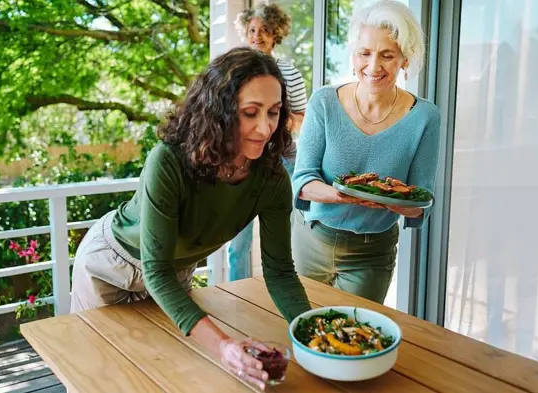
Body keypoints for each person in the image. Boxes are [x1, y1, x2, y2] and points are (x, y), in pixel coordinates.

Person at [70, 47, 311, 390]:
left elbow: (280, 272)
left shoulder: (272, 180)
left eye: (273, 112)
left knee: (169, 374)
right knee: (100, 378)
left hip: (173, 273)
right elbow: (155, 269)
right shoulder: (168, 161)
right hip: (110, 267)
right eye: (250, 113)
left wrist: (313, 335)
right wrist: (225, 345)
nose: (265, 128)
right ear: (220, 112)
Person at [291, 0, 441, 304]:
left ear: (404, 60)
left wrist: (398, 203)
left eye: (387, 55)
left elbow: (420, 200)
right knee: (299, 327)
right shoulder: (324, 103)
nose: (374, 67)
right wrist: (341, 195)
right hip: (313, 240)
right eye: (365, 53)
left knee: (353, 338)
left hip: (372, 251)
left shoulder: (425, 117)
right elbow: (303, 180)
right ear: (353, 56)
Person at [227, 3, 308, 281]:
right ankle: (238, 295)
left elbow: (302, 121)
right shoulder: (234, 71)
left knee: (283, 237)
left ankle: (282, 290)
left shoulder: (289, 72)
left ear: (276, 34)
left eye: (264, 29)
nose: (257, 35)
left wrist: (273, 116)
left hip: (282, 159)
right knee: (237, 240)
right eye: (251, 29)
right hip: (242, 160)